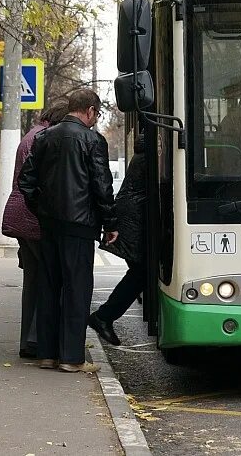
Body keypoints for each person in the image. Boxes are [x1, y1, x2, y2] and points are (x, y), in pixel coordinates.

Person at [19, 89, 117, 373]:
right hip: (81, 226)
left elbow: (26, 182)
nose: (95, 120)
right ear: (89, 111)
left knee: (49, 287)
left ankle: (47, 355)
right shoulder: (92, 140)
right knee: (76, 290)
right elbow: (102, 185)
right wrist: (110, 223)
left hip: (49, 225)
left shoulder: (44, 137)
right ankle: (72, 358)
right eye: (96, 115)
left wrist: (42, 208)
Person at [1, 98, 70, 359]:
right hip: (34, 218)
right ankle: (38, 340)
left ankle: (28, 342)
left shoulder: (32, 134)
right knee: (48, 279)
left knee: (33, 280)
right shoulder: (45, 138)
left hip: (22, 216)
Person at [88, 138, 147, 347]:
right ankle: (103, 317)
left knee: (140, 273)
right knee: (141, 274)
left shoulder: (141, 156)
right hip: (133, 220)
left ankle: (105, 317)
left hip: (131, 217)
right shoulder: (148, 159)